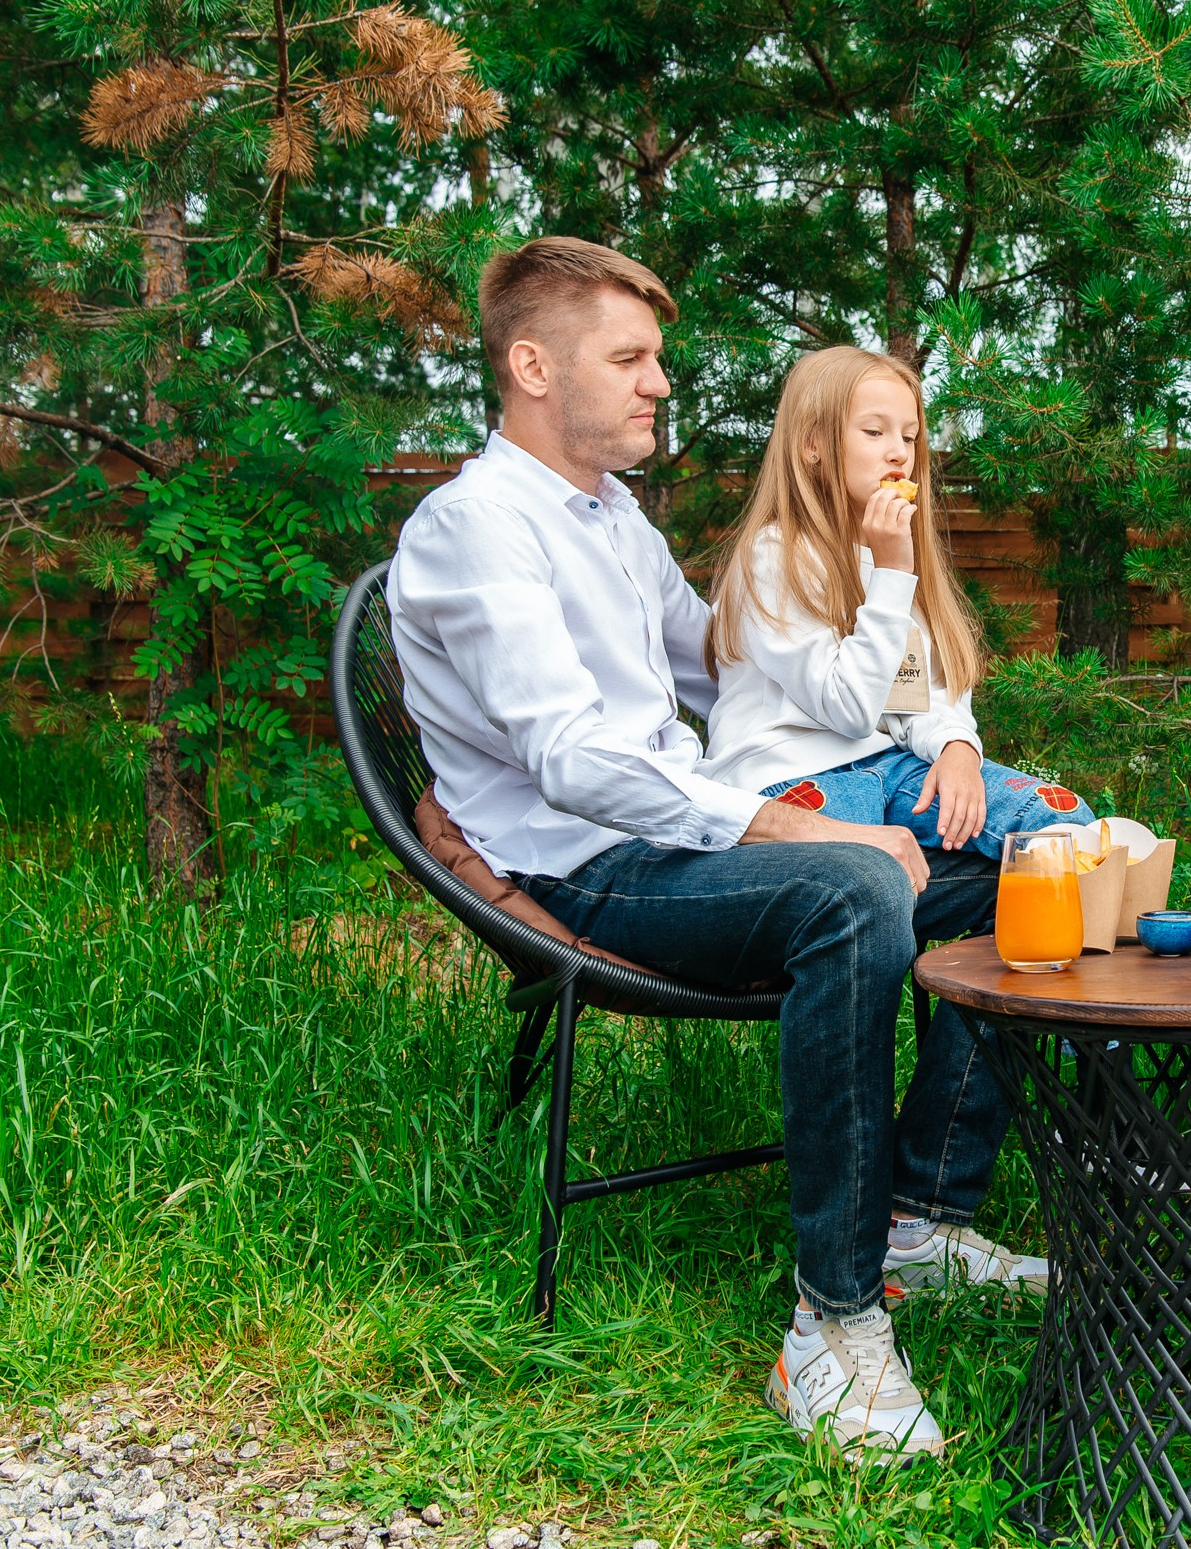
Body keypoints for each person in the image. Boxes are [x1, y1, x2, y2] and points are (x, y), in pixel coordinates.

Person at [386, 237, 1039, 1466]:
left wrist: (932, 719)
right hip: (589, 866)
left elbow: (731, 660)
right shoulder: (474, 531)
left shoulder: (612, 518)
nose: (658, 385)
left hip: (675, 834)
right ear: (533, 366)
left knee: (1042, 866)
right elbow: (574, 762)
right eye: (629, 360)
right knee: (850, 889)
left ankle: (924, 1214)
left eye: (656, 361)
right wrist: (802, 822)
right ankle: (832, 1322)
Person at [701, 346, 1096, 860]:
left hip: (893, 765)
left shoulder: (890, 554)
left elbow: (917, 692)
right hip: (788, 775)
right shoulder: (776, 555)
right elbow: (848, 709)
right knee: (866, 873)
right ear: (812, 444)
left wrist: (957, 748)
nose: (899, 453)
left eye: (909, 437)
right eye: (874, 432)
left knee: (1064, 822)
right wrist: (891, 575)